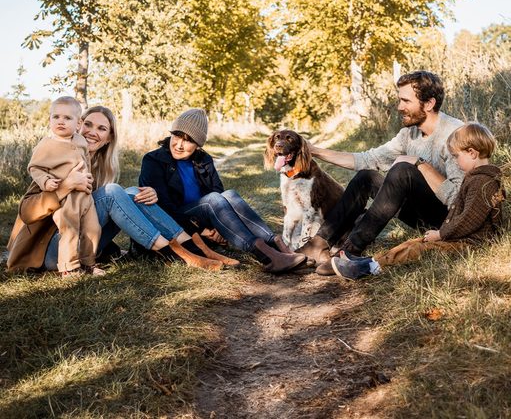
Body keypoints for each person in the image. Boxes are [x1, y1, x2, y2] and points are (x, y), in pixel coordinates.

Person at [7, 105, 236, 274]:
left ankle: (193, 246)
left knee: (133, 193)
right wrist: (64, 187)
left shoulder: (98, 168)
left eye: (101, 128)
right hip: (50, 253)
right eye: (87, 124)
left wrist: (148, 197)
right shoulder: (56, 157)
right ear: (78, 125)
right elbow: (27, 213)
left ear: (108, 138)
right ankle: (174, 253)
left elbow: (93, 219)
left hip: (81, 249)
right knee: (112, 192)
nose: (92, 132)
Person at [299, 71, 465, 275]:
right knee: (366, 177)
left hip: (447, 222)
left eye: (405, 101)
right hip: (421, 213)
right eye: (399, 100)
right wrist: (313, 150)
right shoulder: (409, 134)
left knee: (403, 169)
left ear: (429, 104)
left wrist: (419, 164)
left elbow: (459, 200)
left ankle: (350, 252)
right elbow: (366, 159)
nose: (399, 107)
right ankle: (318, 244)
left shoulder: (456, 134)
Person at [139, 108, 307, 274]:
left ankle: (278, 246)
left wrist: (219, 227)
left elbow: (219, 193)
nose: (179, 145)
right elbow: (163, 209)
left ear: (198, 144)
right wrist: (203, 230)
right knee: (213, 199)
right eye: (177, 136)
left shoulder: (203, 159)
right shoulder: (153, 161)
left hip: (204, 218)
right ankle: (267, 256)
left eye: (188, 140)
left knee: (229, 195)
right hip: (179, 226)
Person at [332, 122, 505, 279]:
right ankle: (368, 262)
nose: (455, 161)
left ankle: (367, 269)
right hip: (461, 236)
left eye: (456, 156)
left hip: (470, 242)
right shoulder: (478, 178)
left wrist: (441, 234)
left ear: (472, 153)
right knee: (414, 242)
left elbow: (469, 220)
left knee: (417, 249)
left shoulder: (482, 182)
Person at [27, 96, 102, 277]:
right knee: (69, 229)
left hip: (84, 195)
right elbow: (34, 167)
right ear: (50, 120)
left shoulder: (80, 141)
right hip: (64, 197)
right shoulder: (46, 145)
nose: (61, 121)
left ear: (78, 124)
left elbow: (85, 162)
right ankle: (69, 268)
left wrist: (88, 178)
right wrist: (45, 181)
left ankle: (88, 263)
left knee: (93, 228)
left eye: (67, 118)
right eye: (56, 117)